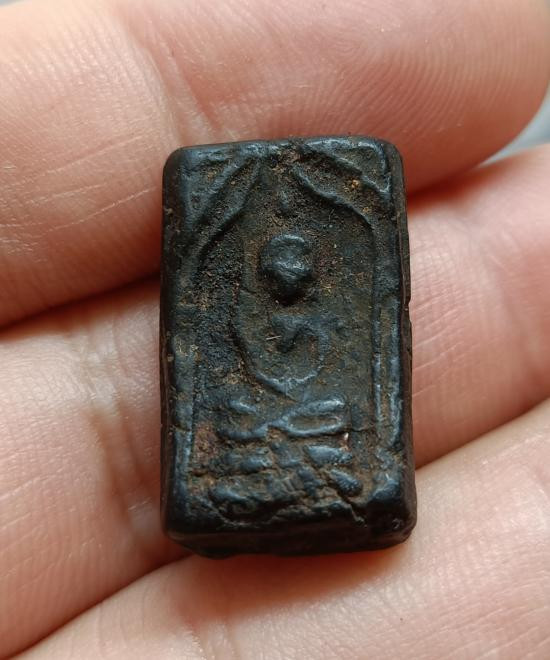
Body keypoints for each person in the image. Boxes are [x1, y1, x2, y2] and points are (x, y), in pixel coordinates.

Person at [1, 0, 549, 657]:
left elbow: (337, 386)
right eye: (275, 268)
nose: (286, 279)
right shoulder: (242, 314)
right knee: (239, 418)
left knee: (326, 423)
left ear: (313, 272)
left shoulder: (324, 321)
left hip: (314, 425)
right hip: (256, 426)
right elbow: (231, 380)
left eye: (298, 267)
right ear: (263, 272)